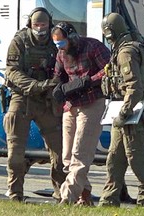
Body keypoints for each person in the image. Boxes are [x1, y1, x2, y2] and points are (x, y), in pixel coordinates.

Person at [3, 7, 66, 202]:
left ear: (50, 24)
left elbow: (67, 64)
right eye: (36, 25)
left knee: (60, 151)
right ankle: (15, 192)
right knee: (15, 152)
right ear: (30, 24)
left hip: (47, 100)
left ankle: (61, 192)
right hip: (22, 98)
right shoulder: (19, 41)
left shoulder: (57, 40)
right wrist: (35, 86)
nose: (40, 29)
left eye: (44, 25)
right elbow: (11, 71)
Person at [98, 13, 144, 207]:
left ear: (110, 32)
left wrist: (124, 112)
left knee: (136, 158)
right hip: (126, 111)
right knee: (115, 157)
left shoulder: (126, 53)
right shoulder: (133, 46)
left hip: (132, 113)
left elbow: (134, 87)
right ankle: (109, 198)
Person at [51, 22, 111, 205]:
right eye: (57, 44)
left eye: (62, 43)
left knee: (80, 154)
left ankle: (66, 198)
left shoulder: (93, 47)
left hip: (92, 102)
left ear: (72, 37)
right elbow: (58, 75)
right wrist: (58, 87)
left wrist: (88, 81)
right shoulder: (61, 54)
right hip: (71, 105)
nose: (60, 47)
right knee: (68, 158)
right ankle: (85, 197)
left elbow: (109, 68)